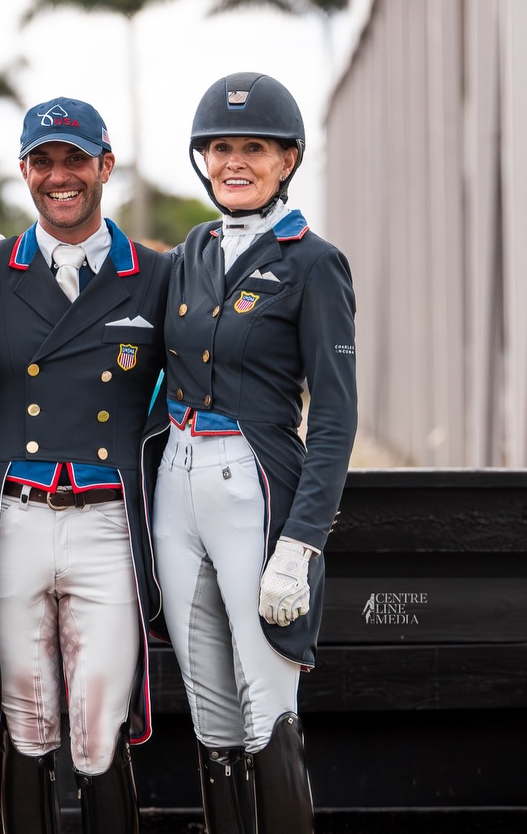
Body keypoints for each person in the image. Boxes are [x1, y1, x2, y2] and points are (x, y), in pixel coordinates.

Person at [0, 97, 169, 833]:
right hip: (12, 525)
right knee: (26, 726)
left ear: (105, 166)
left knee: (100, 730)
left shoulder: (157, 277)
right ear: (23, 171)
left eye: (75, 161)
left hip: (106, 530)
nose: (59, 177)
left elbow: (224, 368)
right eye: (43, 162)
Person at [147, 72, 357, 833]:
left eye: (254, 149)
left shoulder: (313, 262)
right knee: (209, 711)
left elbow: (334, 413)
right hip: (175, 485)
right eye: (220, 148)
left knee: (266, 705)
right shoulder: (186, 255)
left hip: (253, 491)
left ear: (287, 160)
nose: (234, 162)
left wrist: (300, 542)